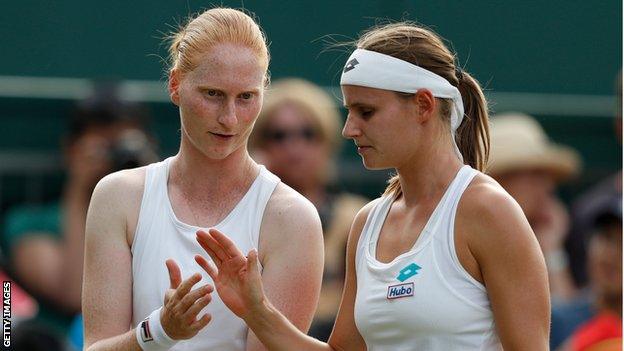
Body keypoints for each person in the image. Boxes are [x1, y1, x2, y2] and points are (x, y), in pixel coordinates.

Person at [194, 22, 550, 350]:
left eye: (366, 112)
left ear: (423, 105)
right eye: (349, 112)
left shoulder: (488, 210)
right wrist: (257, 312)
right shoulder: (368, 222)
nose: (349, 129)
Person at [82, 7, 323, 351]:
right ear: (176, 85)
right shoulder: (117, 197)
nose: (229, 119)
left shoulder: (292, 218)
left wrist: (258, 313)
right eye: (212, 94)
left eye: (246, 97)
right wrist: (160, 331)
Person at [3, 82, 153, 340]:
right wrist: (79, 189)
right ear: (71, 150)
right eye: (103, 146)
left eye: (124, 146)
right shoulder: (29, 223)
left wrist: (152, 180)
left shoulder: (160, 215)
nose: (114, 158)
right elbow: (76, 296)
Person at [250, 78, 368, 341]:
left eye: (308, 133)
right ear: (259, 144)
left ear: (327, 140)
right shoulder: (244, 215)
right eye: (279, 135)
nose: (294, 147)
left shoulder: (356, 216)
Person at [487, 112, 581, 302]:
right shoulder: (469, 239)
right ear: (498, 180)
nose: (549, 187)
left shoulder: (557, 236)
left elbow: (564, 322)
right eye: (536, 174)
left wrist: (552, 249)